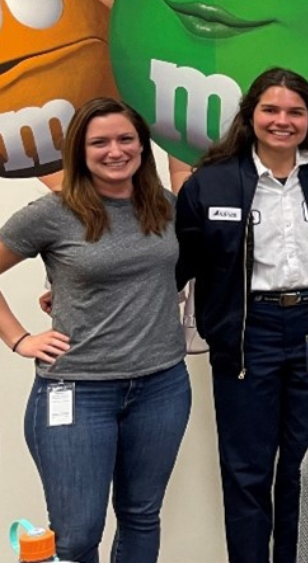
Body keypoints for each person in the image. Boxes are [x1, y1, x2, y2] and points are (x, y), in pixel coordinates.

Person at [175, 68, 308, 563]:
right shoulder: (211, 183)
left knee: (305, 467)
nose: (282, 121)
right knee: (247, 468)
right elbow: (172, 262)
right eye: (270, 110)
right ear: (250, 115)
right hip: (246, 333)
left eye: (295, 112)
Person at [0, 97, 189, 563]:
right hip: (79, 390)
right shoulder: (53, 213)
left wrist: (63, 290)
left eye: (126, 139)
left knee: (142, 515)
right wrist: (20, 339)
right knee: (78, 533)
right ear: (79, 152)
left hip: (161, 385)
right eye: (99, 141)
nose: (115, 150)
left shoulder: (161, 205)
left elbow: (156, 275)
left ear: (143, 147)